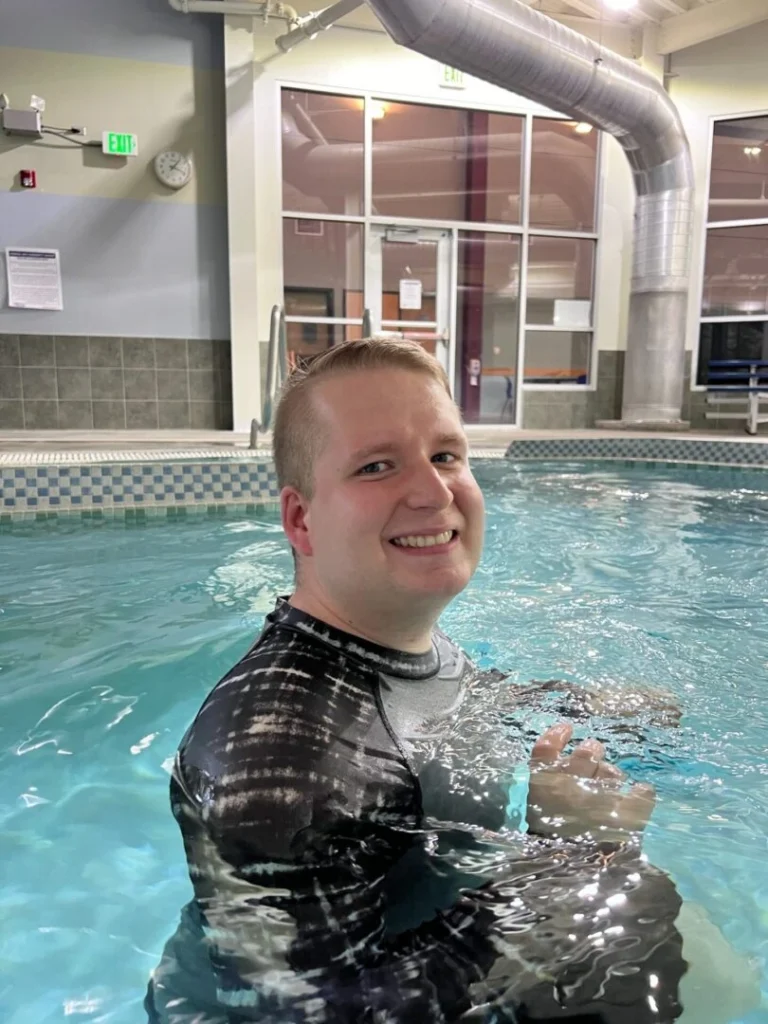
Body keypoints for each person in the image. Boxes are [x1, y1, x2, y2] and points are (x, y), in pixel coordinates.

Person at [145, 340, 753, 1024]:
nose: (434, 493)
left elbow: (438, 706)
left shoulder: (388, 639)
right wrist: (567, 859)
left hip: (438, 932)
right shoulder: (281, 759)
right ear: (300, 519)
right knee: (691, 959)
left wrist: (575, 708)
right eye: (376, 466)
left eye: (445, 456)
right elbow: (316, 1015)